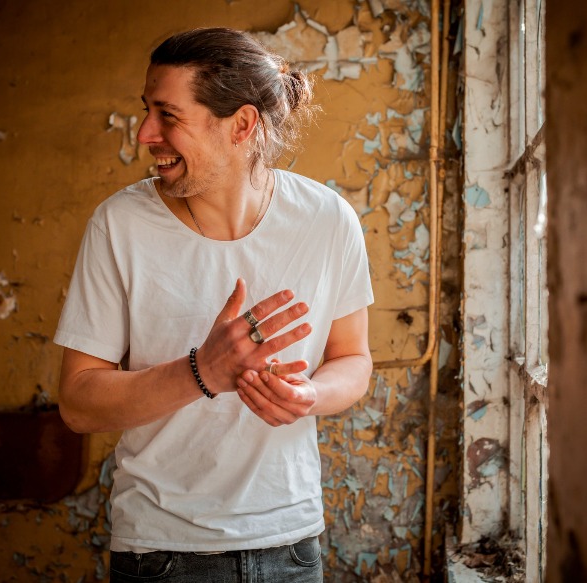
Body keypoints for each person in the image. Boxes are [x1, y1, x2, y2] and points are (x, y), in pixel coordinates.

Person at [54, 28, 374, 583]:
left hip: (293, 545)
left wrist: (310, 395)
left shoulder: (329, 219)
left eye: (167, 115)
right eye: (147, 110)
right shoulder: (119, 224)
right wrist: (202, 371)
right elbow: (78, 404)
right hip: (161, 551)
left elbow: (354, 360)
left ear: (242, 125)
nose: (145, 133)